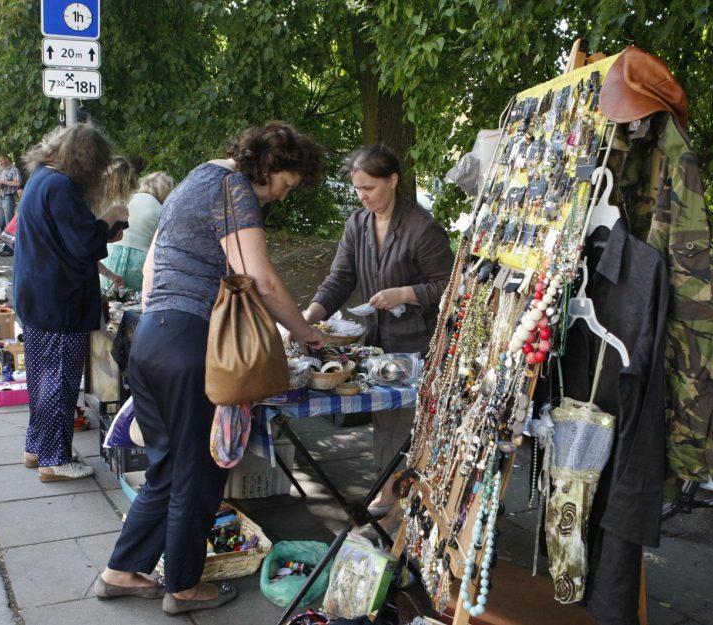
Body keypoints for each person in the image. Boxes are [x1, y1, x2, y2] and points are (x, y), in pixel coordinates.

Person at [98, 122, 326, 614]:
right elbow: (259, 279)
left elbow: (155, 266)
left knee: (165, 469)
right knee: (198, 474)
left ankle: (121, 569)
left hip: (150, 339)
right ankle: (183, 588)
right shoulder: (234, 189)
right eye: (286, 185)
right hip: (189, 345)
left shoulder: (194, 179)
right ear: (272, 165)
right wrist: (304, 332)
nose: (282, 198)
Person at [302, 144, 454, 517]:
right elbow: (340, 278)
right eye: (357, 188)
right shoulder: (357, 223)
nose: (363, 196)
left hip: (417, 343)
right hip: (376, 344)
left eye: (369, 187)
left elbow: (451, 286)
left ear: (393, 180)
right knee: (385, 421)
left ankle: (401, 498)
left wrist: (406, 293)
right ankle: (390, 494)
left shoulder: (422, 227)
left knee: (406, 423)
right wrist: (307, 317)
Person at [12, 124, 128, 482]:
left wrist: (103, 230)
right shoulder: (60, 186)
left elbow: (67, 238)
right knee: (59, 382)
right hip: (59, 300)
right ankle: (54, 459)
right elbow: (83, 245)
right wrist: (110, 217)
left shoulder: (41, 178)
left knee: (41, 379)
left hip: (38, 296)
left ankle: (37, 447)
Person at [99, 171, 175, 291]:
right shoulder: (162, 209)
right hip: (140, 260)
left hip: (110, 256)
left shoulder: (127, 199)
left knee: (109, 303)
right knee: (135, 305)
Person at [93, 156, 139, 290]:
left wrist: (112, 276)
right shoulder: (90, 204)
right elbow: (82, 248)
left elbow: (89, 254)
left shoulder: (98, 206)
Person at [0, 155, 21, 255]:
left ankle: (10, 249)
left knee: (9, 224)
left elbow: (17, 183)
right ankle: (5, 247)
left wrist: (4, 182)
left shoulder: (14, 170)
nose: (0, 163)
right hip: (0, 197)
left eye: (1, 160)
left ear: (6, 159)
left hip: (8, 197)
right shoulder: (1, 170)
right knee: (2, 224)